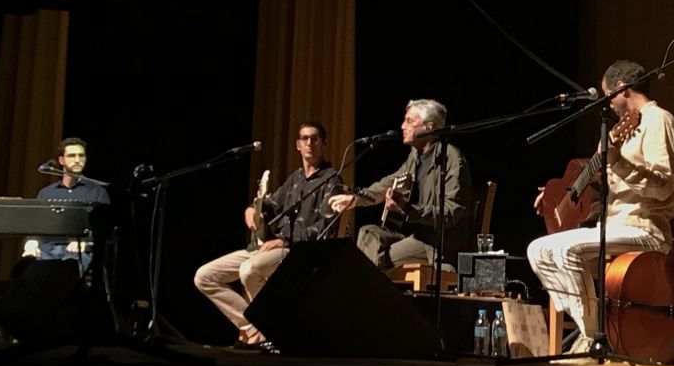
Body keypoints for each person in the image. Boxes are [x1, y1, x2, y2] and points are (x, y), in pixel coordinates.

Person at [527, 60, 674, 354]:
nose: (608, 105)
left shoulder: (657, 121)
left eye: (607, 95)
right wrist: (554, 197)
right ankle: (594, 329)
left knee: (563, 251)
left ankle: (594, 337)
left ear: (622, 89)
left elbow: (663, 186)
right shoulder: (628, 130)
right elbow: (603, 188)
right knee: (538, 250)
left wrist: (618, 162)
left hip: (644, 230)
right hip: (613, 228)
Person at [194, 122, 342, 347]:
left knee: (250, 270)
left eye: (315, 139)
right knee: (205, 276)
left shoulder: (332, 181)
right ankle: (257, 329)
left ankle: (272, 329)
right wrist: (252, 209)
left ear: (324, 144)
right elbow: (271, 204)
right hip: (267, 248)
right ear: (297, 145)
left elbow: (325, 229)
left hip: (297, 251)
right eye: (305, 139)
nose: (309, 143)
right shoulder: (296, 179)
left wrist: (285, 240)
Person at [328, 99, 472, 272]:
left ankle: (364, 289)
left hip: (435, 244)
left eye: (410, 121)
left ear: (429, 127)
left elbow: (451, 212)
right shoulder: (415, 157)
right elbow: (388, 182)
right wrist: (356, 199)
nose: (403, 126)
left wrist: (409, 210)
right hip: (413, 235)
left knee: (374, 259)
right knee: (368, 234)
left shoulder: (451, 158)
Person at [26, 136, 110, 276]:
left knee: (69, 269)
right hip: (47, 250)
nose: (77, 160)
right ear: (61, 160)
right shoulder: (46, 192)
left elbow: (104, 228)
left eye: (81, 155)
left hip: (79, 251)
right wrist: (31, 243)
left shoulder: (97, 192)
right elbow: (36, 224)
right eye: (72, 155)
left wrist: (86, 242)